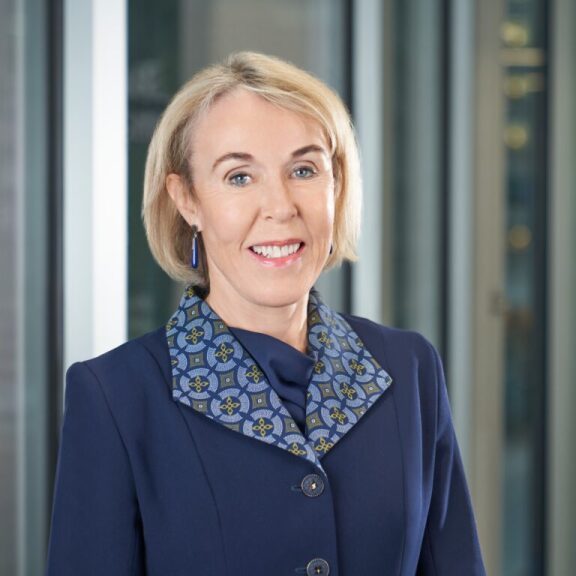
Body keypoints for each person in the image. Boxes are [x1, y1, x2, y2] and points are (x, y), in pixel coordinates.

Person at [45, 51, 486, 575]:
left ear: (337, 185)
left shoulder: (409, 368)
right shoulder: (115, 396)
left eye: (303, 170)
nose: (280, 207)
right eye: (239, 177)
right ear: (187, 199)